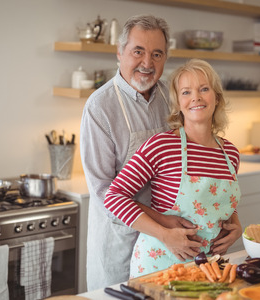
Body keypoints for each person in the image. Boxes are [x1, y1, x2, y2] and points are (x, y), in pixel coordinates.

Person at [80, 15, 201, 290]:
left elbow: (193, 154)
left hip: (169, 242)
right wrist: (162, 224)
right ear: (120, 52)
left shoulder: (173, 97)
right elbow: (103, 192)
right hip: (120, 240)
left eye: (157, 54)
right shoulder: (99, 107)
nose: (148, 63)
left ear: (166, 58)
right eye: (138, 52)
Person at [104, 59, 242, 278]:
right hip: (160, 265)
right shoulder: (162, 146)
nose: (195, 97)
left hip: (207, 268)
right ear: (178, 103)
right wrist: (165, 235)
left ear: (217, 97)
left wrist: (236, 226)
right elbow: (114, 197)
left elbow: (221, 204)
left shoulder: (230, 154)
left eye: (204, 89)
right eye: (186, 92)